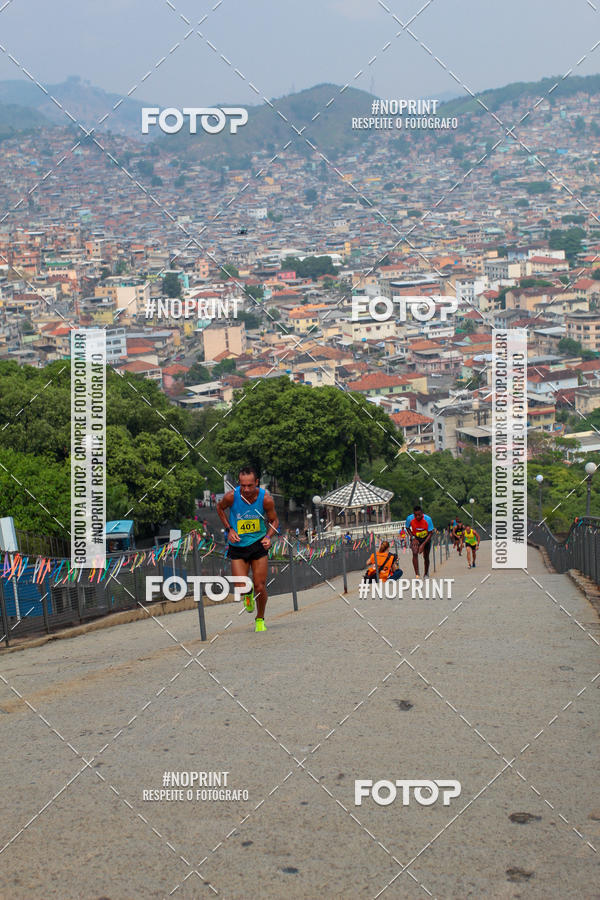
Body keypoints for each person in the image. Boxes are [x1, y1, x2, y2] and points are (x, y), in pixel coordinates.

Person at [217, 465, 279, 633]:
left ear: (257, 482)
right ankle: (247, 593)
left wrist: (268, 537)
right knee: (241, 585)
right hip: (237, 546)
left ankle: (260, 619)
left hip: (258, 544)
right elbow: (219, 508)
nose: (246, 489)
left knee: (260, 585)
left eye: (250, 485)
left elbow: (274, 521)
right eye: (243, 485)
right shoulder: (231, 497)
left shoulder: (265, 499)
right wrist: (229, 528)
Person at [405, 505, 434, 578]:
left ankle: (426, 573)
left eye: (419, 515)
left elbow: (431, 533)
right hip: (416, 537)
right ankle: (417, 574)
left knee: (426, 556)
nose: (417, 517)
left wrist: (423, 545)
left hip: (426, 538)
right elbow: (407, 527)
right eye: (415, 515)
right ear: (413, 514)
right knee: (415, 553)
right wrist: (413, 537)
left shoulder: (428, 519)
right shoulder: (409, 518)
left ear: (422, 513)